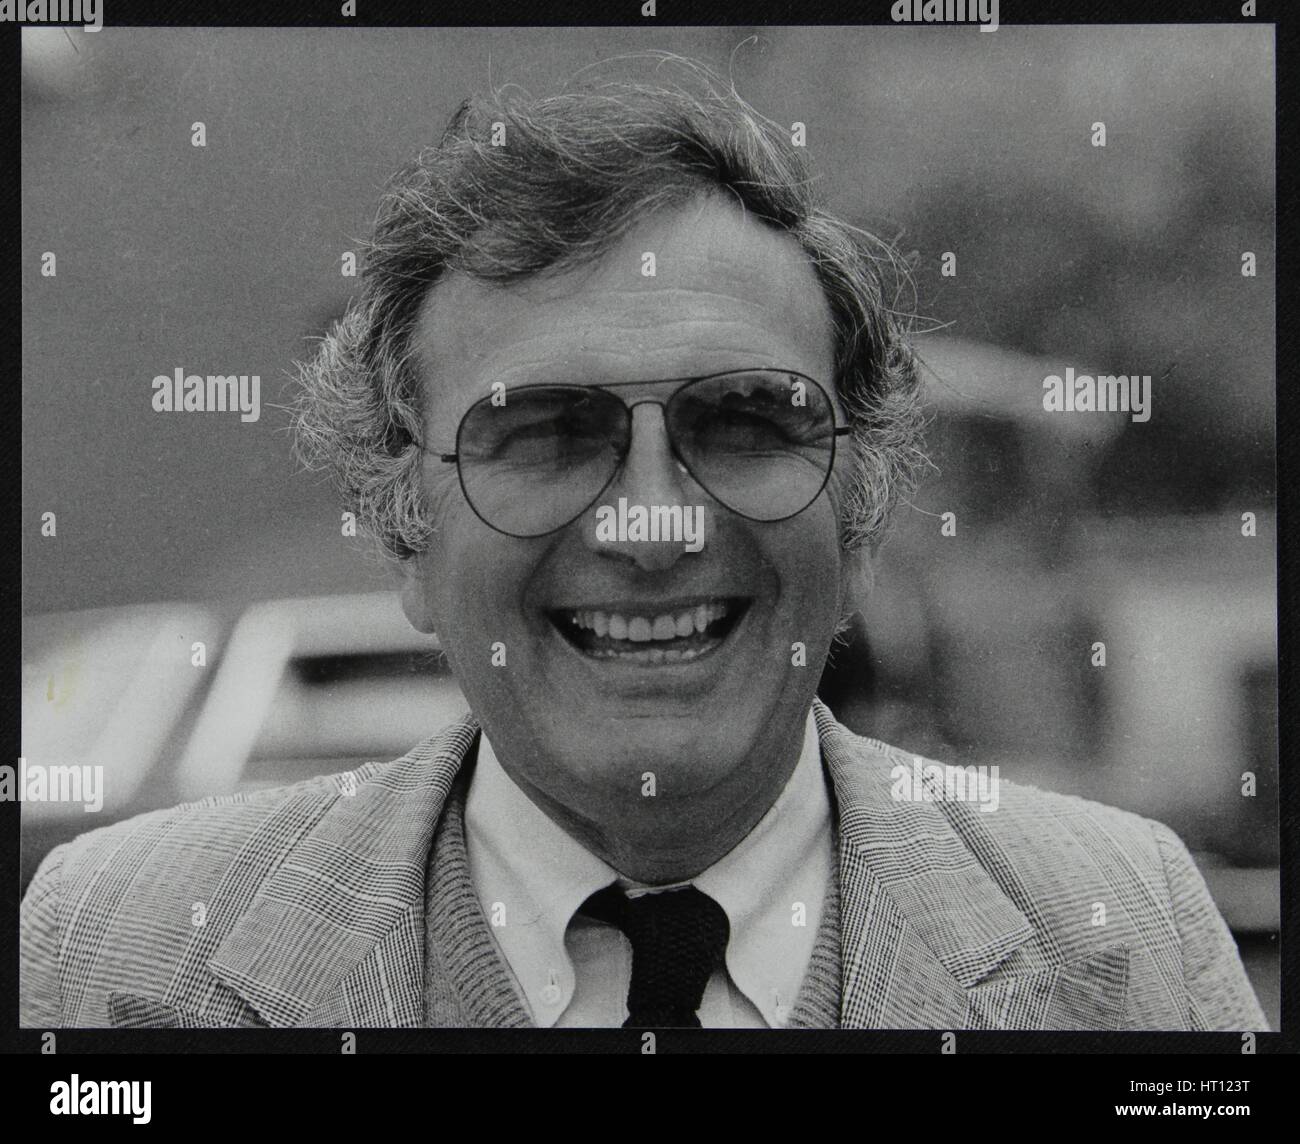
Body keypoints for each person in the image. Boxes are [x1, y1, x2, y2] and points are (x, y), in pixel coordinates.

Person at [20, 59, 1266, 1031]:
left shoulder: (1121, 938)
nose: (655, 525)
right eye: (550, 432)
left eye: (742, 421)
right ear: (407, 531)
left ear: (864, 510)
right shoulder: (120, 955)